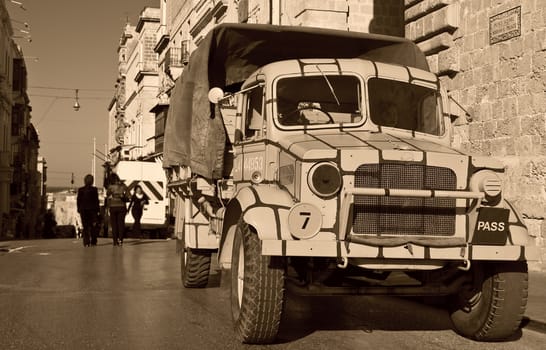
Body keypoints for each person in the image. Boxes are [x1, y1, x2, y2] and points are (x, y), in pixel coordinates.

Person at [76, 174, 100, 247]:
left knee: (85, 226)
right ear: (92, 181)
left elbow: (78, 200)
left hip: (83, 210)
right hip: (93, 210)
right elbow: (96, 200)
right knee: (93, 226)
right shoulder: (94, 189)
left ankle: (86, 242)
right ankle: (93, 240)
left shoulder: (81, 190)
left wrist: (79, 209)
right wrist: (98, 209)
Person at [106, 173, 129, 246]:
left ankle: (115, 241)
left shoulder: (110, 187)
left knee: (114, 224)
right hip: (122, 206)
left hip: (113, 207)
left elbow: (107, 195)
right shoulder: (123, 186)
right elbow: (129, 196)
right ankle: (121, 240)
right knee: (121, 224)